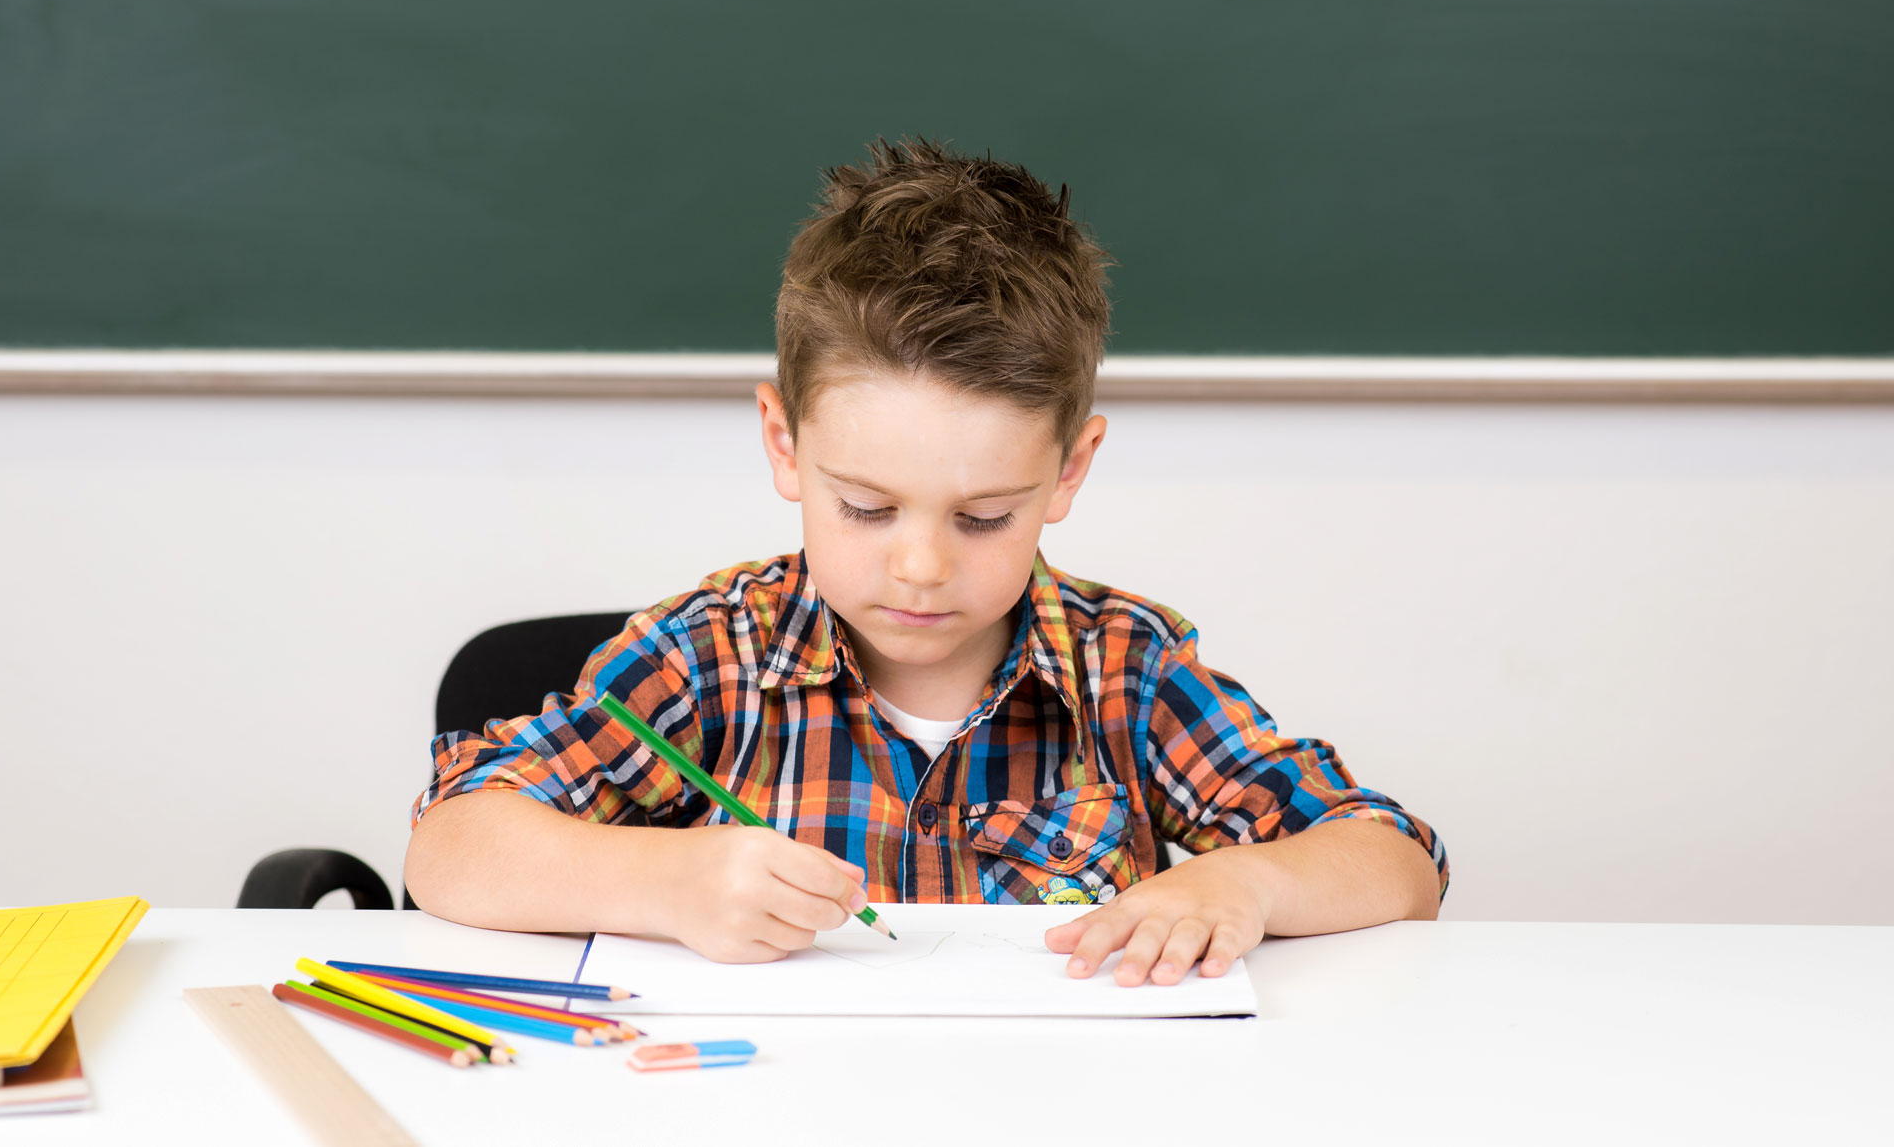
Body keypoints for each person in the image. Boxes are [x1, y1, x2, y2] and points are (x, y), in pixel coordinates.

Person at [405, 137, 1446, 987]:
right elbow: (450, 846)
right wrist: (658, 879)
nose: (919, 567)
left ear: (1070, 469)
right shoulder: (709, 655)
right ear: (784, 444)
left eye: (985, 517)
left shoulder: (1124, 669)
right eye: (865, 506)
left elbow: (1395, 857)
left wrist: (1245, 889)